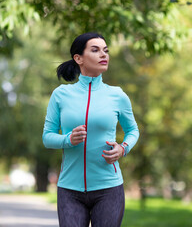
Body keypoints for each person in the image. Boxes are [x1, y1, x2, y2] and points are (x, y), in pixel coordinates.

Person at [42, 32, 139, 227]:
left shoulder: (117, 95)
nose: (103, 55)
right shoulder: (61, 94)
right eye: (95, 50)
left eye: (106, 50)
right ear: (78, 58)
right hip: (69, 189)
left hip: (109, 188)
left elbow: (133, 131)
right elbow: (47, 137)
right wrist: (68, 139)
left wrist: (123, 148)